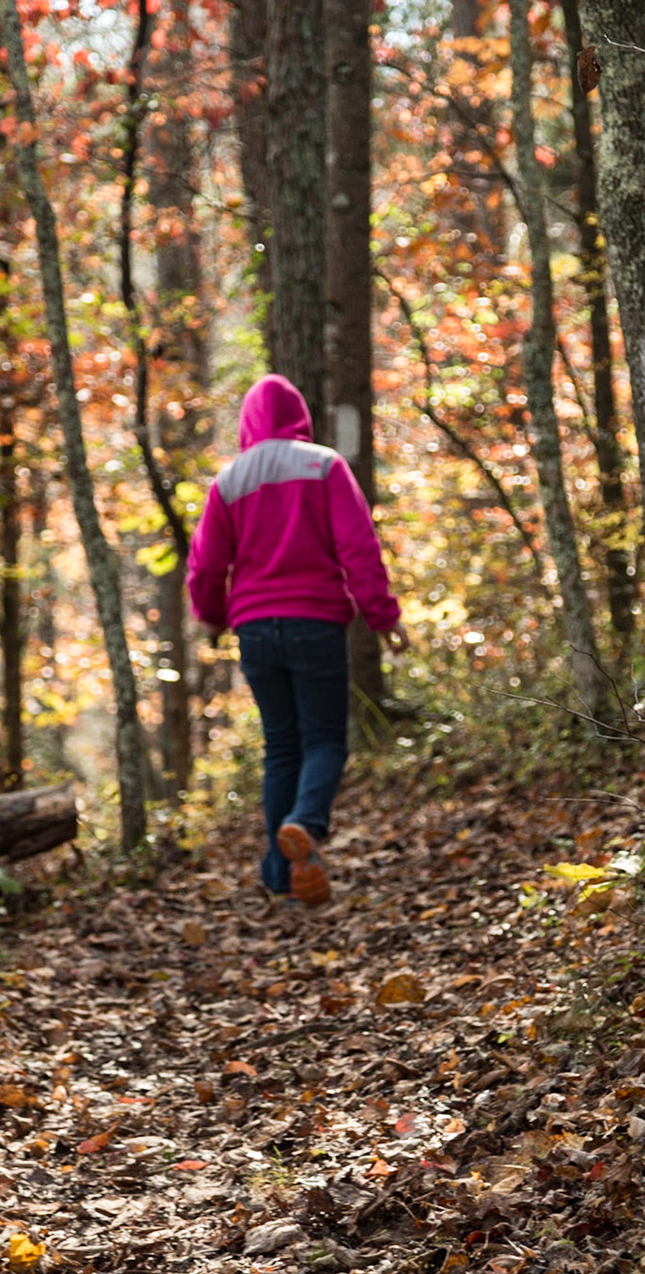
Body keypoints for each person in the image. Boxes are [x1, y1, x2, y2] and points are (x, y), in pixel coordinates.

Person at [187, 374, 405, 907]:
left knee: (281, 748)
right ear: (299, 416)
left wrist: (212, 617)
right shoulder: (325, 466)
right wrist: (383, 616)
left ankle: (280, 874)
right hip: (316, 623)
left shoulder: (229, 481)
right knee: (325, 741)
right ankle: (305, 823)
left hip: (256, 630)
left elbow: (206, 564)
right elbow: (359, 548)